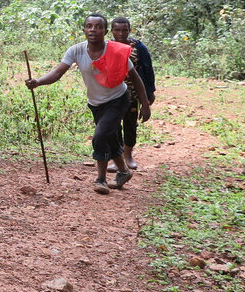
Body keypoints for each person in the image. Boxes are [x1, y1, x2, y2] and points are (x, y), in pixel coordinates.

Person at [25, 13, 151, 195]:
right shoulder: (75, 50)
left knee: (100, 135)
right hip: (96, 102)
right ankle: (123, 172)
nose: (93, 30)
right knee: (110, 136)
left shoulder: (115, 50)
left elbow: (136, 79)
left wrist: (145, 104)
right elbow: (58, 72)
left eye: (98, 27)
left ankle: (101, 179)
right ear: (84, 29)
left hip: (118, 98)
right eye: (89, 26)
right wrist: (38, 81)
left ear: (105, 31)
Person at [111, 16, 156, 171]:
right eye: (117, 30)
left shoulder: (139, 47)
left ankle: (128, 156)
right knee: (113, 126)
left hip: (132, 93)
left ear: (129, 30)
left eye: (124, 30)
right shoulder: (107, 46)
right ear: (112, 31)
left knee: (130, 124)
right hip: (112, 94)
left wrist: (150, 92)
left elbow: (147, 68)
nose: (121, 33)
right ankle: (117, 157)